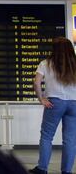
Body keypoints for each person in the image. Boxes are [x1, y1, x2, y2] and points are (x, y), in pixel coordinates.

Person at [30, 37, 76, 174]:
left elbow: (36, 82)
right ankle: (66, 171)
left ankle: (42, 168)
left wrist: (41, 99)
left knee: (46, 136)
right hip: (74, 103)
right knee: (70, 139)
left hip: (54, 103)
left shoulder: (45, 63)